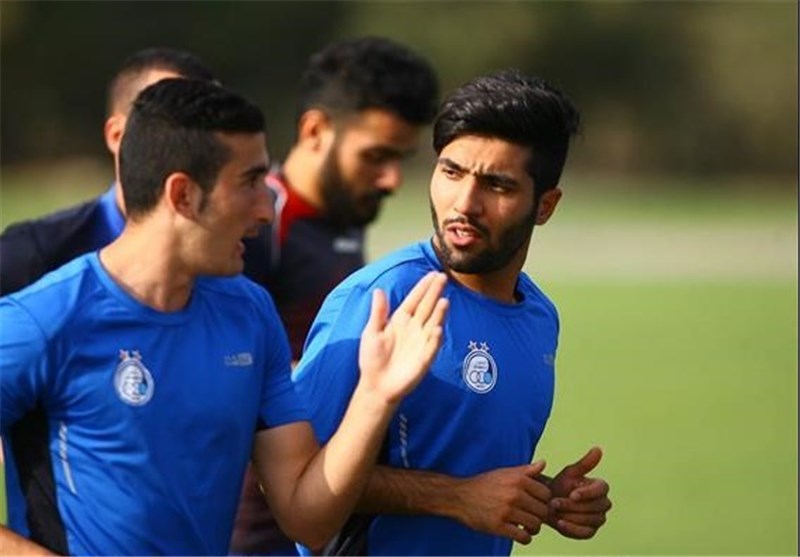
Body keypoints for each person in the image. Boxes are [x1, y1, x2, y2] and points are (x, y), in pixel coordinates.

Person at [0, 78, 449, 556]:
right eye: (250, 182)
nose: (267, 208)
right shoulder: (43, 321)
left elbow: (307, 519)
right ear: (183, 195)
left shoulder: (250, 315)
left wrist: (374, 397)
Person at [291, 69, 612, 556]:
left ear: (545, 205)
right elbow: (296, 480)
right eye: (452, 172)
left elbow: (471, 474)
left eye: (497, 185)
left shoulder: (539, 317)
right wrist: (455, 498)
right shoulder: (382, 297)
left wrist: (546, 499)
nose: (464, 203)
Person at [233, 36, 439, 555]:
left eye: (401, 158)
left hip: (326, 524)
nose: (392, 179)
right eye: (376, 156)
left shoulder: (342, 220)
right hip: (255, 535)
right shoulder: (258, 226)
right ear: (315, 130)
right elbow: (225, 369)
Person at [0, 47, 217, 296]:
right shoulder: (30, 260)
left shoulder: (239, 255)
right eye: (176, 127)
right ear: (117, 136)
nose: (195, 147)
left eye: (208, 130)